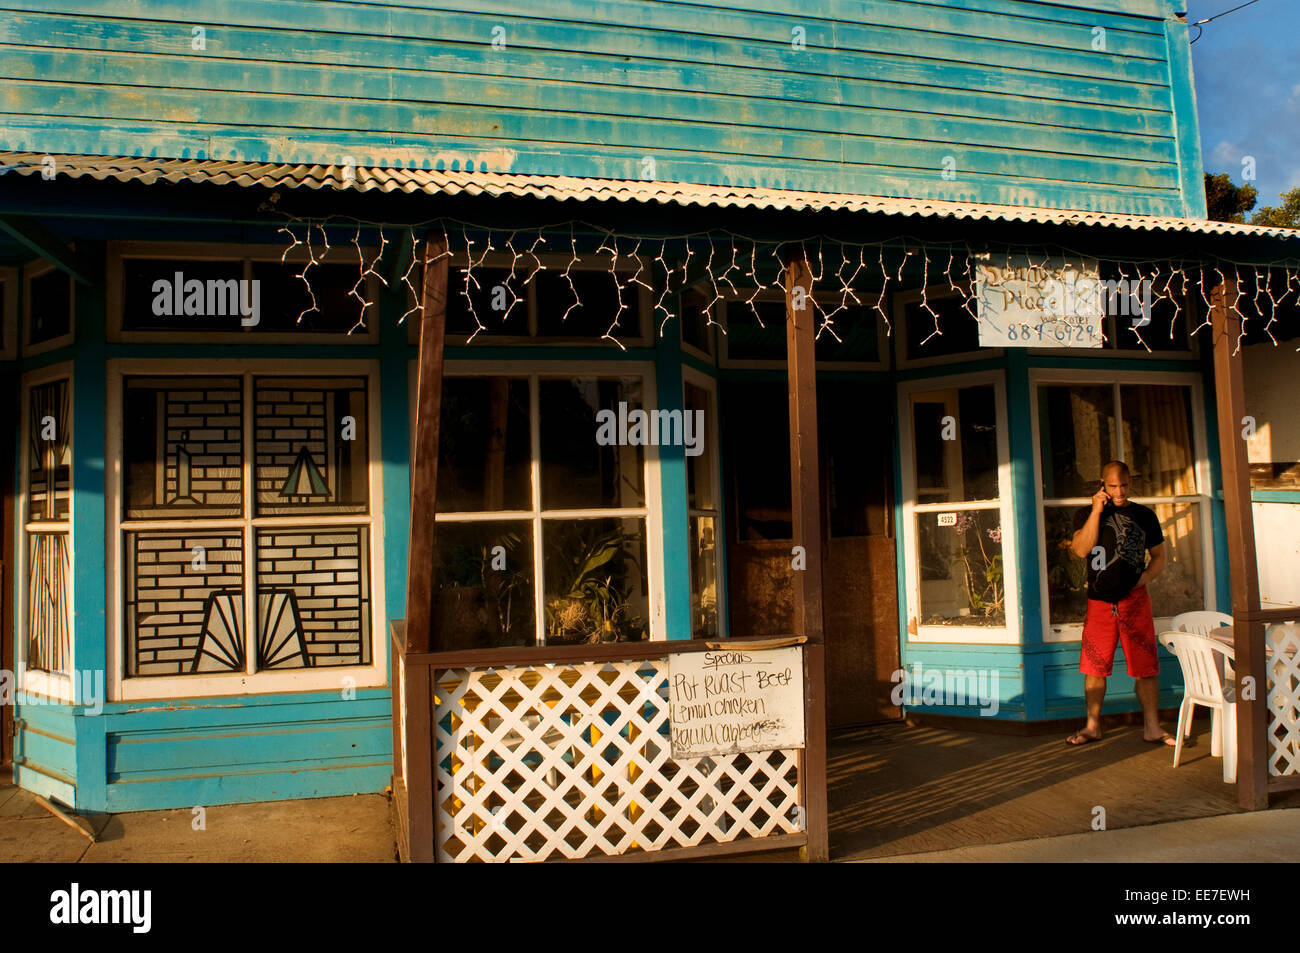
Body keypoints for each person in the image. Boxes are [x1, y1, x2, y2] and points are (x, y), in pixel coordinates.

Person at [1066, 460, 1176, 746]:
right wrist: (1096, 511)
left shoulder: (1143, 515)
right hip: (1100, 602)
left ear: (1130, 483)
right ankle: (1092, 726)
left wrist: (1146, 578)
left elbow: (1160, 556)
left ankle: (1152, 727)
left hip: (1134, 601)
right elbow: (1080, 549)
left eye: (1124, 484)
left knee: (1146, 667)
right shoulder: (1087, 514)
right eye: (1113, 485)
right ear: (1102, 484)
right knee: (1094, 667)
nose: (1119, 491)